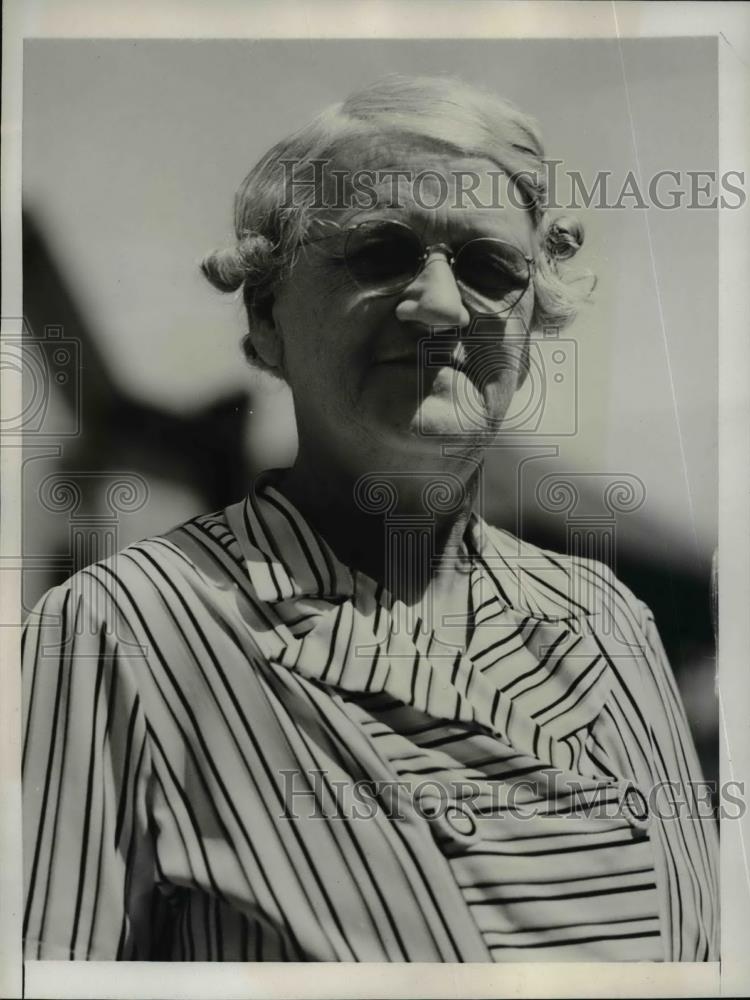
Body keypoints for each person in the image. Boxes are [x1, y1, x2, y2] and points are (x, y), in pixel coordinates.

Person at [22, 74, 718, 962]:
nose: (440, 306)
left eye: (491, 267)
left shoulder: (616, 624)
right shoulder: (119, 632)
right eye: (379, 255)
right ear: (266, 315)